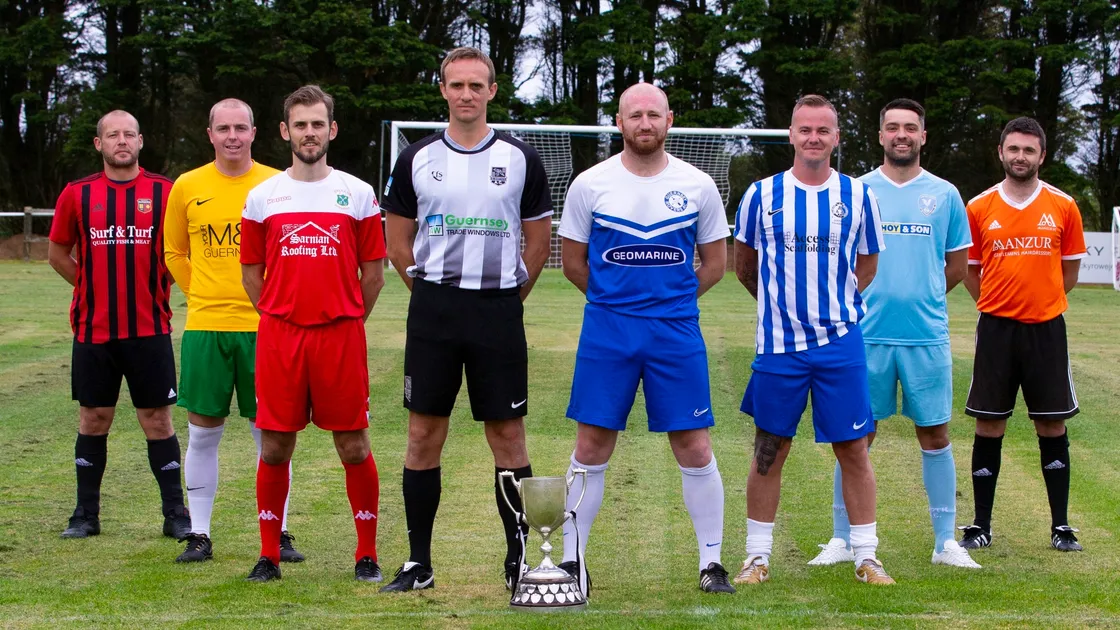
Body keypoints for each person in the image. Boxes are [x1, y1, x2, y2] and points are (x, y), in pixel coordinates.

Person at [380, 46, 553, 593]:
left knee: (508, 436)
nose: (466, 95)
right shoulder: (416, 158)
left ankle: (519, 561)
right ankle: (418, 563)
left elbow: (538, 241)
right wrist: (432, 293)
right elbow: (397, 238)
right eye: (457, 85)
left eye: (476, 85)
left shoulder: (522, 157)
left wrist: (503, 299)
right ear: (443, 90)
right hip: (434, 309)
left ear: (492, 91)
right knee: (422, 433)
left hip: (498, 310)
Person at [556, 82, 735, 595]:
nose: (645, 124)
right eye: (635, 115)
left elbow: (715, 265)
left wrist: (668, 301)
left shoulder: (698, 185)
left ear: (669, 120)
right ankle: (571, 563)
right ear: (619, 123)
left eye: (653, 115)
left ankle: (712, 563)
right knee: (591, 443)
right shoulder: (590, 184)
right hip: (607, 330)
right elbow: (573, 264)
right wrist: (620, 303)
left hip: (675, 331)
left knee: (694, 444)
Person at [807, 98, 980, 569]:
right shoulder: (855, 191)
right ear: (880, 136)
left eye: (910, 128)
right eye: (892, 128)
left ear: (923, 136)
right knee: (856, 436)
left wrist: (918, 293)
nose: (901, 135)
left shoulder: (945, 194)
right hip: (864, 336)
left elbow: (956, 267)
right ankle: (843, 539)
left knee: (936, 435)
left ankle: (946, 541)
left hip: (926, 336)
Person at [733, 94, 894, 586]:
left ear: (837, 137)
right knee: (769, 449)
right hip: (779, 345)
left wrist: (833, 306)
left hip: (840, 343)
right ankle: (756, 558)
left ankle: (866, 555)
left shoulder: (859, 196)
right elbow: (745, 267)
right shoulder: (761, 195)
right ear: (791, 134)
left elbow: (865, 266)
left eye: (823, 130)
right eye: (805, 129)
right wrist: (784, 308)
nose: (813, 138)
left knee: (853, 449)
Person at [240, 85, 386, 582]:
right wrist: (282, 312)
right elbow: (251, 272)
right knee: (275, 446)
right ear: (285, 132)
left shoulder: (358, 194)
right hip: (280, 336)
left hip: (341, 336)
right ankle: (269, 555)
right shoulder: (262, 197)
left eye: (317, 124)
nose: (309, 133)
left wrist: (345, 317)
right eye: (300, 124)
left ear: (332, 130)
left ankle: (365, 553)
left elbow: (373, 274)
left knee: (354, 445)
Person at [164, 98, 304, 564]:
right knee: (203, 432)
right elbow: (174, 253)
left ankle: (279, 532)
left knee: (271, 433)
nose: (231, 136)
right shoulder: (187, 185)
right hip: (205, 326)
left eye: (240, 127)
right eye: (222, 128)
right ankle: (199, 534)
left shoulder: (276, 183)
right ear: (210, 134)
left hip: (265, 328)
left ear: (253, 132)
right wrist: (201, 291)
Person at [48, 110, 190, 540]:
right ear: (99, 144)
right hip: (94, 331)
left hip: (149, 329)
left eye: (129, 134)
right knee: (93, 417)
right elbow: (57, 254)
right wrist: (91, 286)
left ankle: (176, 515)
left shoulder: (165, 192)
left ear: (141, 141)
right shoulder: (77, 193)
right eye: (113, 135)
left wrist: (150, 285)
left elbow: (177, 255)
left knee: (157, 419)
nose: (122, 141)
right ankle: (85, 515)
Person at [958, 117, 1087, 553]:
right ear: (1000, 152)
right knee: (989, 423)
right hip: (996, 329)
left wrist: (1039, 300)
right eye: (1013, 149)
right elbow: (972, 272)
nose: (1020, 156)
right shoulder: (978, 207)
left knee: (1051, 424)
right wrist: (1000, 303)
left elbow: (1068, 272)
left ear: (1041, 156)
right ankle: (979, 525)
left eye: (1029, 150)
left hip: (1047, 330)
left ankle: (1062, 526)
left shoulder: (1064, 205)